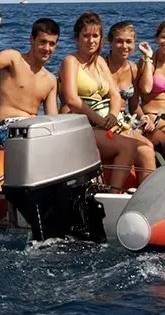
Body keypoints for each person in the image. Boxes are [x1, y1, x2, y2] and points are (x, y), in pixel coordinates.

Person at [60, 12, 155, 191]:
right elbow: (72, 100)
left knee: (147, 149)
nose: (91, 40)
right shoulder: (70, 61)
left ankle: (147, 200)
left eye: (95, 36)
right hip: (83, 123)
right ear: (76, 37)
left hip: (105, 121)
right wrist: (99, 120)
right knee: (129, 146)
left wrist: (112, 115)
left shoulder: (99, 62)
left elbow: (115, 95)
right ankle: (113, 194)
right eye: (86, 36)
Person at [0, 7, 61, 149]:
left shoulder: (50, 80)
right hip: (7, 129)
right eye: (42, 42)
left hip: (35, 129)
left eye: (52, 44)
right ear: (31, 40)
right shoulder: (14, 59)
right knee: (38, 136)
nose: (47, 48)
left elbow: (53, 120)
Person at [136, 20, 165, 158]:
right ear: (156, 38)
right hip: (153, 117)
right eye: (163, 37)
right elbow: (146, 89)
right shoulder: (147, 61)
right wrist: (148, 60)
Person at [106, 21, 141, 118]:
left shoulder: (133, 68)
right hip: (104, 118)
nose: (124, 46)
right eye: (119, 41)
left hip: (124, 118)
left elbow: (133, 107)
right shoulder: (102, 65)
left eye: (129, 41)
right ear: (110, 42)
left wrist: (144, 118)